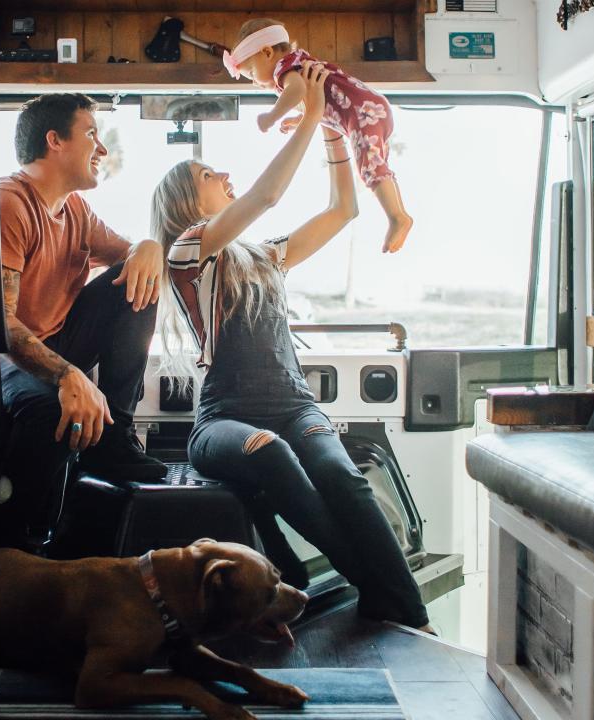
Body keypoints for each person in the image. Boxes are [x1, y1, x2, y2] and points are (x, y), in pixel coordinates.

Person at [150, 64, 432, 631]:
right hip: (226, 418)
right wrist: (307, 113)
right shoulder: (187, 251)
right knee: (270, 451)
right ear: (188, 198)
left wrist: (330, 126)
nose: (223, 172)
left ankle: (408, 615)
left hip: (296, 405)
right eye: (209, 172)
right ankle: (377, 589)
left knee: (343, 477)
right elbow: (269, 193)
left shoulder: (263, 257)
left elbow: (343, 210)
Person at [0, 93, 167, 533]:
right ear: (54, 141)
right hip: (4, 358)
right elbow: (0, 327)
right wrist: (68, 376)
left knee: (136, 275)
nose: (102, 149)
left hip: (60, 341)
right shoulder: (7, 205)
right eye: (91, 134)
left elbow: (131, 256)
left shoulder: (75, 209)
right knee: (54, 415)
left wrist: (150, 246)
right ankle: (25, 545)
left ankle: (115, 438)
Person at [223, 18, 413, 254]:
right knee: (376, 166)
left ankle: (397, 216)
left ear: (267, 52)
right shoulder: (298, 63)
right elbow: (319, 103)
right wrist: (299, 119)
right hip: (368, 108)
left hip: (362, 112)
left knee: (370, 169)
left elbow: (298, 91)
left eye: (251, 73)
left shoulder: (284, 68)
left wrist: (271, 117)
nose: (254, 82)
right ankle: (398, 213)